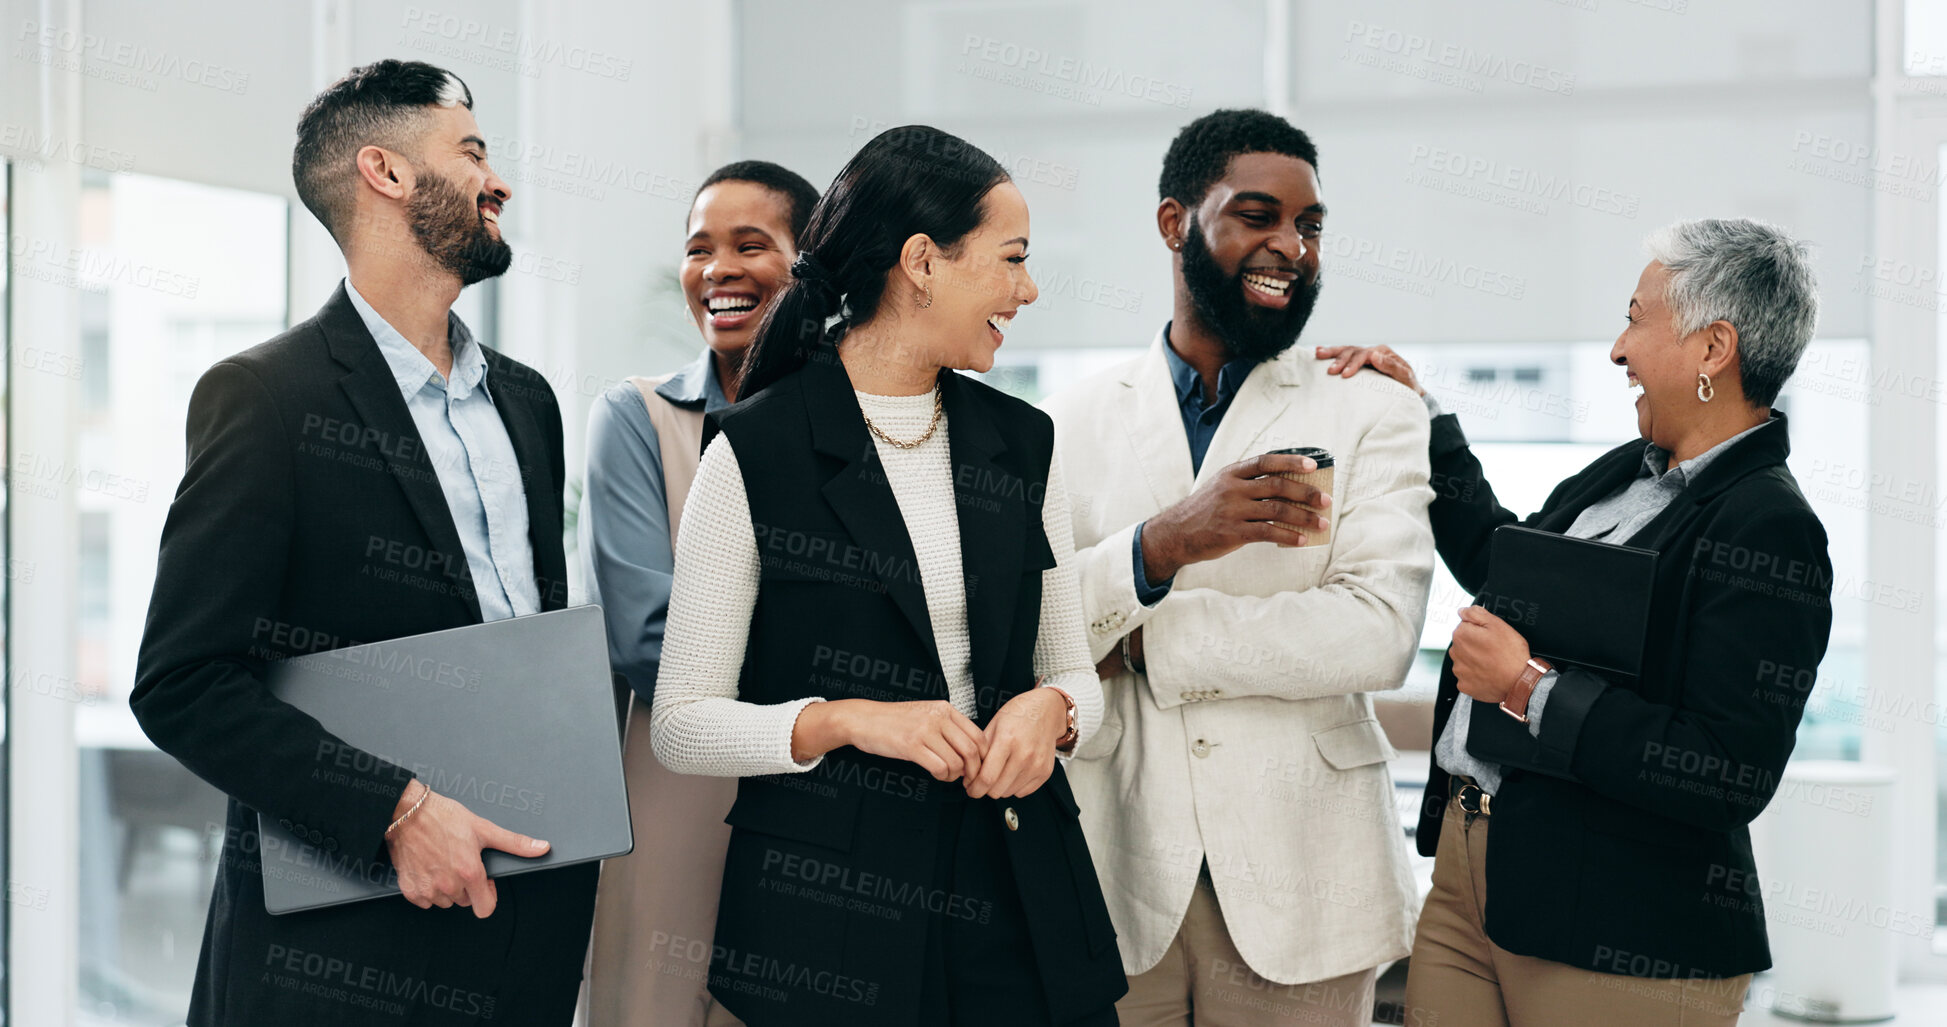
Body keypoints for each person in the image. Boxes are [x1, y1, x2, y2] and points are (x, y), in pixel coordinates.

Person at [129, 60, 594, 1025]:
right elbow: (183, 682)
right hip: (338, 952)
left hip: (519, 926)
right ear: (384, 173)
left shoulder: (529, 402)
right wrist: (396, 810)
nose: (495, 179)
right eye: (470, 152)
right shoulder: (265, 398)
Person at [650, 124, 1127, 1027]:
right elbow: (680, 723)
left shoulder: (1022, 443)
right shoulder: (755, 451)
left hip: (1023, 897)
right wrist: (847, 720)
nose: (1027, 289)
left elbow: (1068, 668)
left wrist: (1055, 710)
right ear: (922, 262)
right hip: (834, 922)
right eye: (1012, 258)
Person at [1319, 217, 1831, 1026]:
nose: (1617, 349)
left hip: (1618, 927)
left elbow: (1725, 768)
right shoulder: (1626, 472)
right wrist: (1423, 420)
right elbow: (1507, 569)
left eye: (1635, 317)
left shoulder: (1767, 527)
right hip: (1468, 875)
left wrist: (1526, 687)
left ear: (1711, 349)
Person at [1042, 108, 1434, 1026]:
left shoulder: (1371, 408)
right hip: (1113, 868)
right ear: (1175, 222)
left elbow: (1378, 632)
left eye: (1309, 226)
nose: (1289, 246)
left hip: (1307, 877)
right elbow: (1033, 622)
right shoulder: (1065, 421)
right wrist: (1162, 544)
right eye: (1257, 216)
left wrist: (1143, 642)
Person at [580, 159, 820, 1027]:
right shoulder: (637, 419)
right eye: (698, 248)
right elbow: (649, 638)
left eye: (750, 245)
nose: (717, 268)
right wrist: (836, 704)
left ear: (811, 265)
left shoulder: (855, 423)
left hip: (824, 811)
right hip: (673, 796)